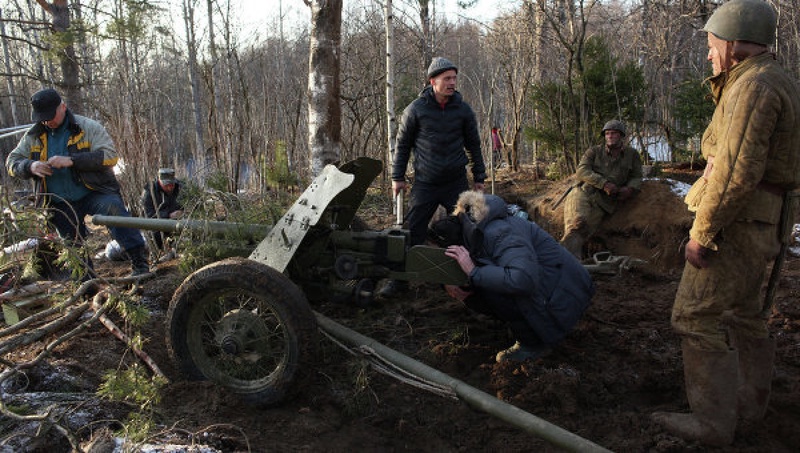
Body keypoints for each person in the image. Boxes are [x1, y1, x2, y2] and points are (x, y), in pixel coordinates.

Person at [651, 0, 800, 446]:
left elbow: (736, 172)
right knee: (743, 312)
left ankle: (712, 424)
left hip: (739, 223)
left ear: (734, 45)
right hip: (761, 222)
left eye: (713, 45)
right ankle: (751, 404)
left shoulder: (753, 87)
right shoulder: (773, 79)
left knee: (694, 316)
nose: (708, 55)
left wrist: (702, 233)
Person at [430, 191, 594, 363]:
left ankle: (533, 345)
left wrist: (474, 272)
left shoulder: (499, 232)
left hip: (565, 296)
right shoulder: (475, 230)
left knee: (489, 288)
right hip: (552, 289)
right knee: (478, 288)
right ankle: (527, 327)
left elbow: (523, 279)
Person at [6, 88, 150, 277]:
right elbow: (12, 161)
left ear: (63, 107)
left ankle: (140, 263)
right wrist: (30, 166)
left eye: (50, 116)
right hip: (58, 201)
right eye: (42, 117)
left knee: (115, 211)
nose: (47, 121)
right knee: (72, 243)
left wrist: (73, 160)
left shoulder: (88, 127)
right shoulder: (33, 136)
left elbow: (110, 157)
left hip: (95, 192)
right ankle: (87, 282)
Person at [382, 56, 487, 297]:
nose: (452, 83)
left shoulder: (462, 109)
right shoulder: (415, 110)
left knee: (467, 228)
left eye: (454, 78)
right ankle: (400, 281)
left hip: (456, 183)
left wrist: (479, 175)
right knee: (411, 231)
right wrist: (397, 177)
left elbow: (474, 145)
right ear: (433, 81)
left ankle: (468, 277)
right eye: (447, 79)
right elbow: (403, 146)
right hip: (425, 183)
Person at [560, 120, 643, 259]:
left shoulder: (632, 154)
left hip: (605, 203)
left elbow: (637, 176)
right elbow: (581, 171)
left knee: (584, 231)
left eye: (613, 133)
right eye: (607, 133)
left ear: (621, 135)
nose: (610, 136)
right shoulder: (594, 151)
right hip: (583, 193)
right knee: (576, 225)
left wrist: (630, 189)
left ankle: (570, 263)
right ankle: (564, 262)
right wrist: (603, 183)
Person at [141, 167, 183, 253]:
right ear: (159, 182)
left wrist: (183, 211)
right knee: (155, 234)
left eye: (172, 184)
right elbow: (148, 215)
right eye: (166, 185)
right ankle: (160, 251)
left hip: (178, 223)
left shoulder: (180, 187)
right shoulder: (149, 192)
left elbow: (189, 203)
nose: (170, 188)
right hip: (158, 226)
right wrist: (168, 215)